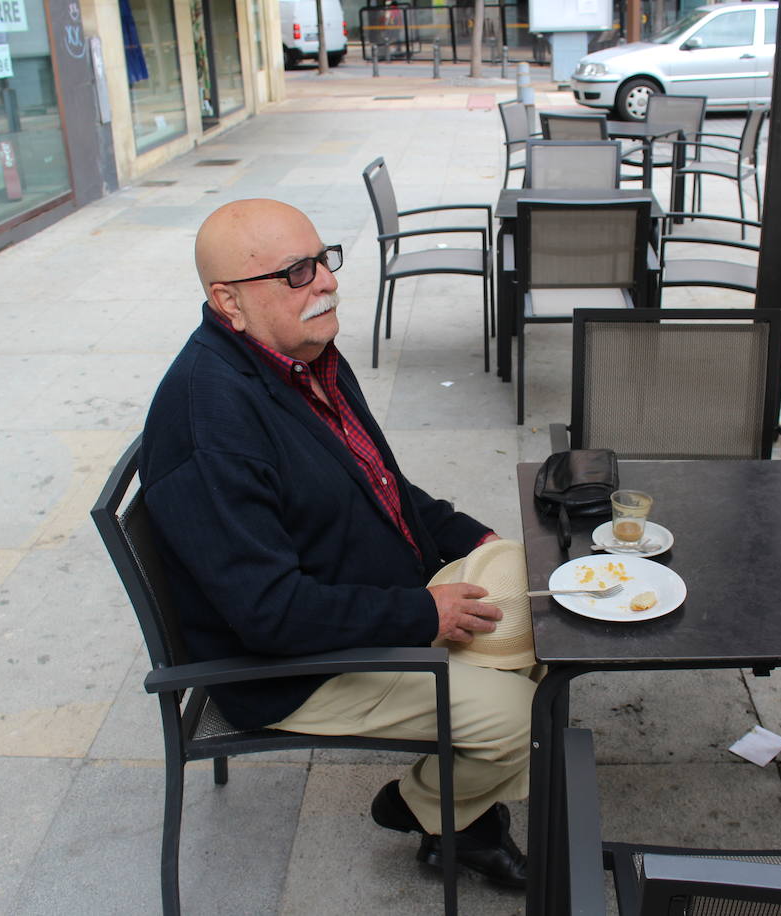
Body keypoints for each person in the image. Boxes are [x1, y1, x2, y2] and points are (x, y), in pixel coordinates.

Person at [137, 198, 535, 888]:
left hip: (366, 597)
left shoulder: (303, 353)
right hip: (290, 667)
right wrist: (424, 615)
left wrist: (473, 539)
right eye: (296, 273)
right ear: (228, 300)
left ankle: (459, 814)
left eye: (323, 260)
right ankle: (425, 808)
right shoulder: (213, 422)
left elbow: (385, 485)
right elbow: (269, 613)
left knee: (544, 614)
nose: (325, 282)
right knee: (517, 717)